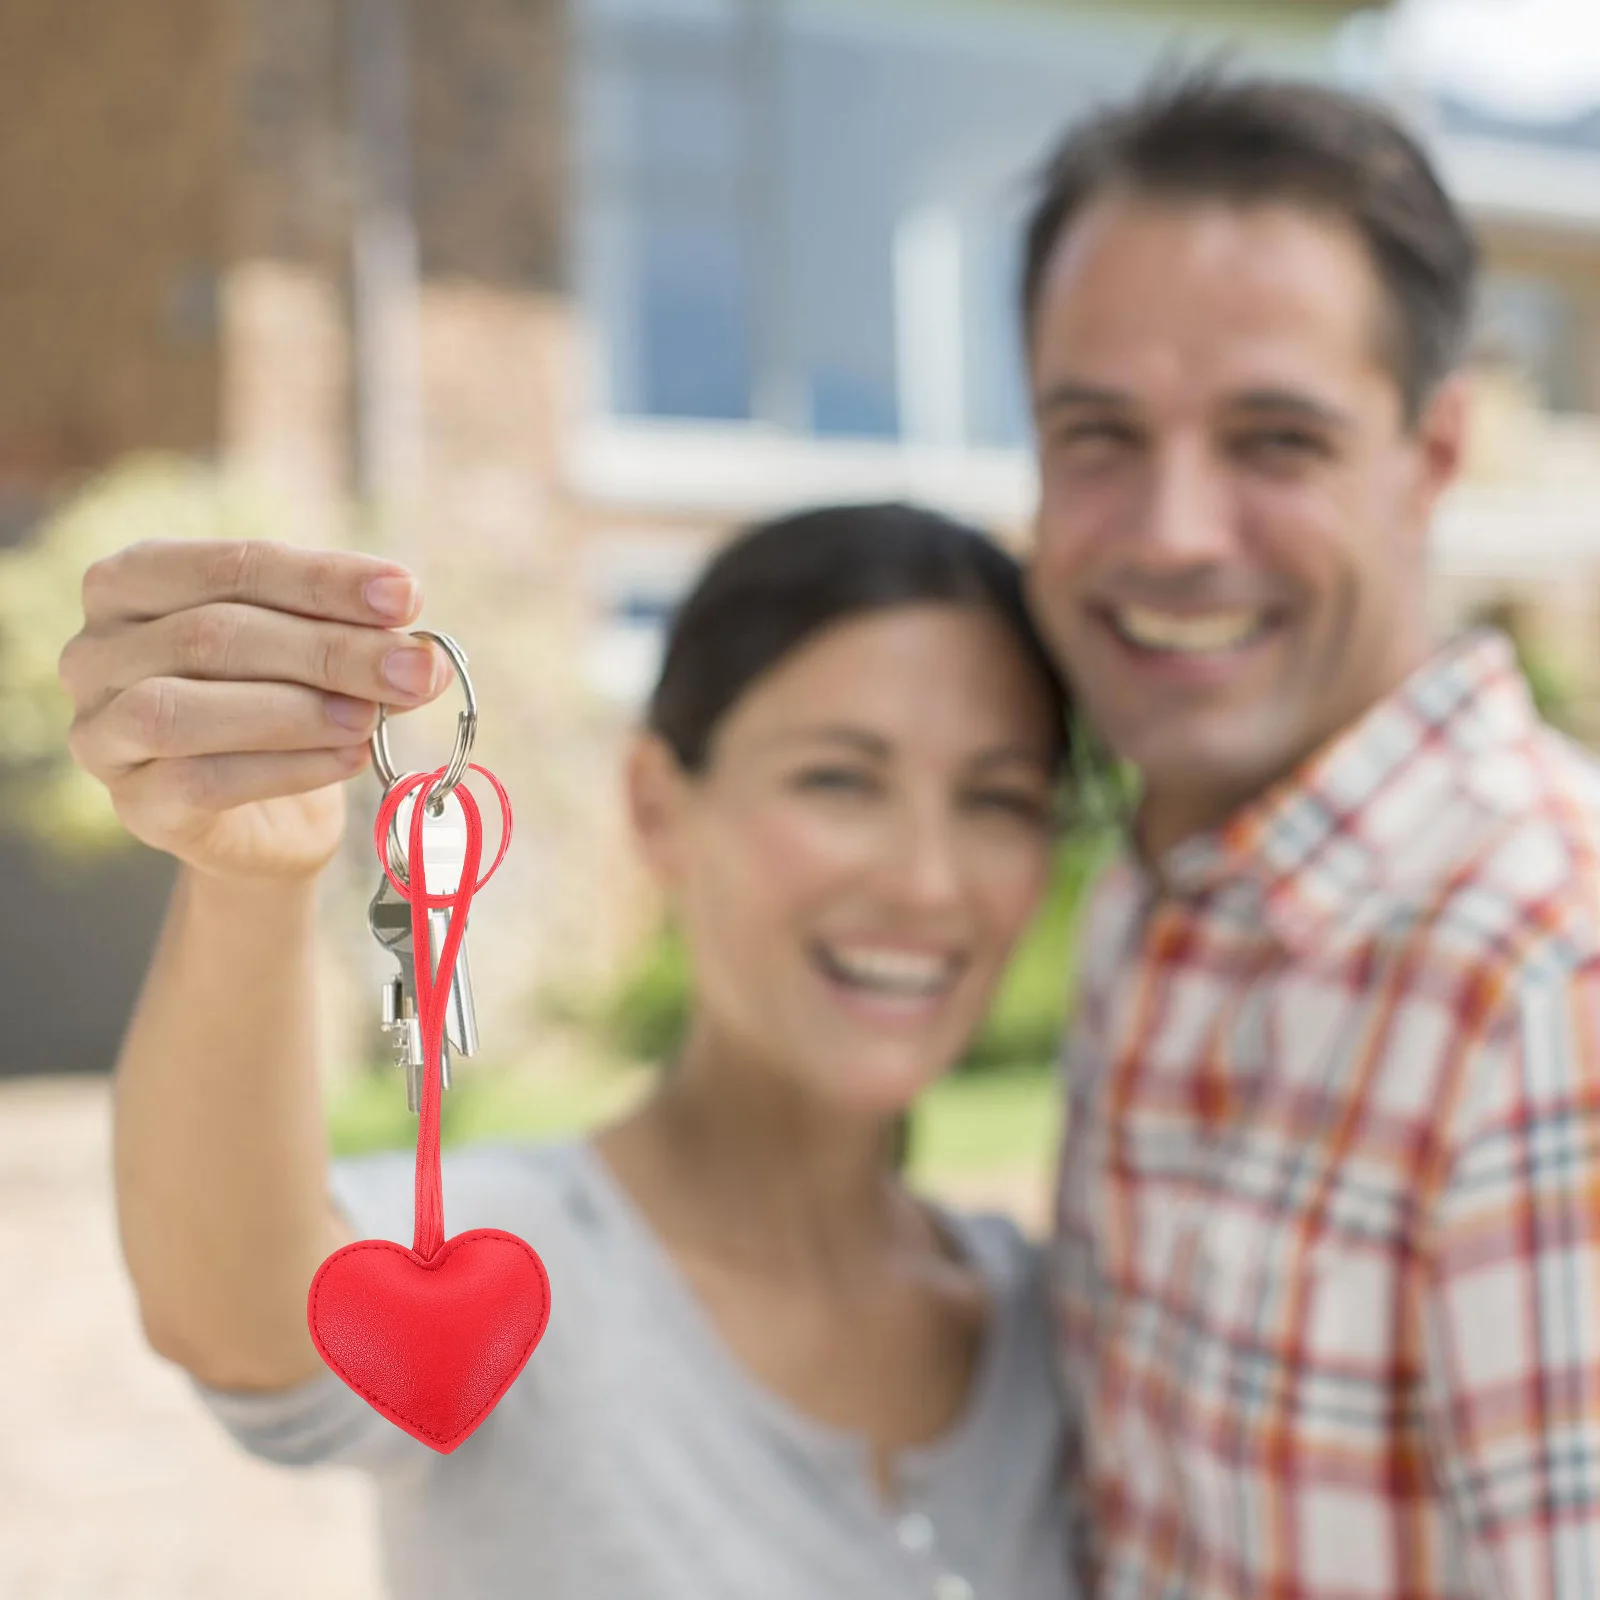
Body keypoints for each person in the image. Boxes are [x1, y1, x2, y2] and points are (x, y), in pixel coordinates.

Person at [60, 503, 1081, 1599]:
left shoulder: (1063, 1327)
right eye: (839, 779)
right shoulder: (519, 1257)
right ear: (656, 805)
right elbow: (244, 1320)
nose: (928, 881)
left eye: (999, 797)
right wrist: (250, 886)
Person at [1020, 73, 1600, 1598]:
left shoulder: (1548, 985)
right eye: (1098, 435)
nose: (1173, 532)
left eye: (1275, 440)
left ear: (1436, 454)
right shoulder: (1161, 893)